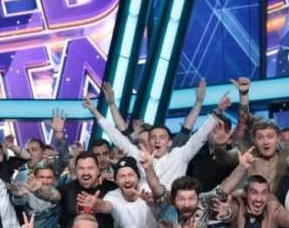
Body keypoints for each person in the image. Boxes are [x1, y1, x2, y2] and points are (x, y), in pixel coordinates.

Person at [84, 80, 231, 188]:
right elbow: (117, 137)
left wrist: (217, 112)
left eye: (162, 137)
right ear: (149, 141)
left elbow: (198, 136)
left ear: (169, 142)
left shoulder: (180, 155)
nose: (157, 141)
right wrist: (96, 112)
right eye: (153, 137)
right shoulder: (140, 157)